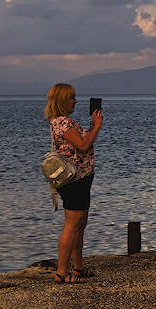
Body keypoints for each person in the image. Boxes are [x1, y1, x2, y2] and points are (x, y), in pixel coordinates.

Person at [45, 83, 102, 283]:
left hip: (82, 178)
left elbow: (80, 141)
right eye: (72, 98)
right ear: (62, 101)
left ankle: (77, 267)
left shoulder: (64, 122)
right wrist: (97, 126)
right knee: (72, 225)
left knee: (80, 225)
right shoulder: (62, 122)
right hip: (74, 181)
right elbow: (83, 144)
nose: (75, 101)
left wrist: (91, 128)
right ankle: (62, 272)